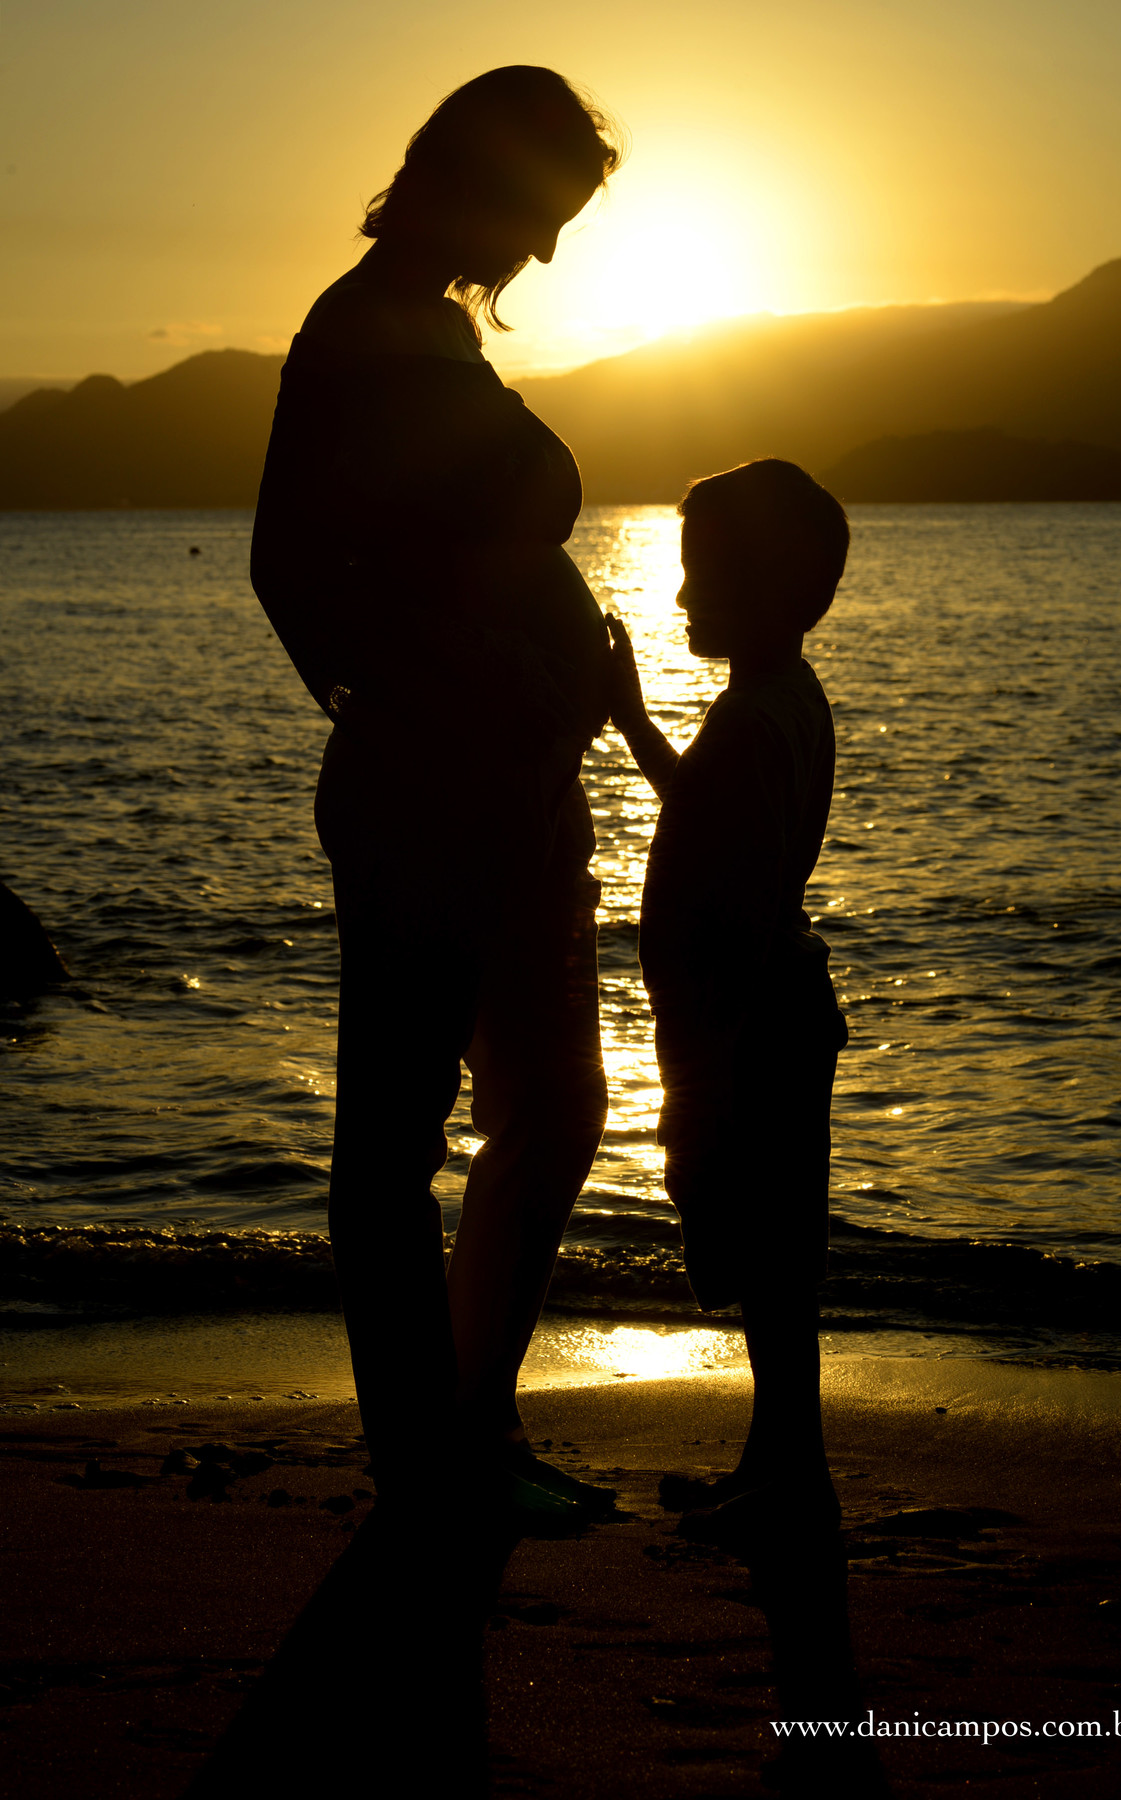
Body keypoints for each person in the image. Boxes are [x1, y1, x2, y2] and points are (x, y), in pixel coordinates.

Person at [250, 68, 623, 1517]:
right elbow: (295, 566)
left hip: (515, 785)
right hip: (435, 792)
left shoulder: (438, 328)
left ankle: (474, 1424)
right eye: (541, 214)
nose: (544, 252)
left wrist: (546, 693)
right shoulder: (354, 335)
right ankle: (432, 1459)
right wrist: (440, 694)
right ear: (471, 178)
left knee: (559, 1103)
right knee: (398, 1140)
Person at [607, 458, 850, 1535]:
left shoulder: (756, 720)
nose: (681, 600)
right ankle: (780, 1464)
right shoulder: (778, 701)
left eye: (700, 575)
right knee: (775, 1257)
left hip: (757, 1026)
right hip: (780, 1016)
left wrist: (706, 1050)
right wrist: (630, 715)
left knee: (763, 1250)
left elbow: (743, 898)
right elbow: (704, 814)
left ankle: (787, 1472)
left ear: (756, 584)